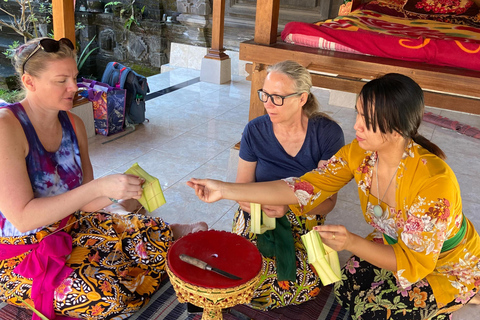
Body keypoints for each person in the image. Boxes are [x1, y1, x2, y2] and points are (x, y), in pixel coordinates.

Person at [188, 73, 480, 319]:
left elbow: (414, 261)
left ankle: (465, 292)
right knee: (348, 286)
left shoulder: (434, 184)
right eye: (358, 113)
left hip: (444, 264)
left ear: (397, 128)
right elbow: (302, 188)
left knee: (378, 311)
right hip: (396, 244)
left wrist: (350, 241)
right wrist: (224, 189)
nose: (356, 125)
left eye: (368, 119)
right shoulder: (361, 154)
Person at [0, 37, 207, 320]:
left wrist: (118, 192)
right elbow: (22, 218)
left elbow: (86, 201)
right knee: (111, 297)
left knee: (153, 248)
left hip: (72, 226)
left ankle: (164, 235)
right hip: (22, 254)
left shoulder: (73, 123)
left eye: (74, 77)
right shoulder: (7, 128)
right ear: (30, 81)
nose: (74, 88)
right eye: (62, 80)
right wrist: (100, 188)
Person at [233, 60, 344, 310]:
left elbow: (327, 203)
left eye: (278, 97)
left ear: (302, 98)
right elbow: (242, 188)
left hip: (304, 216)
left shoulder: (327, 134)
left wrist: (287, 207)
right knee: (242, 271)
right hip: (257, 211)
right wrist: (261, 205)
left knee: (299, 280)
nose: (268, 104)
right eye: (265, 94)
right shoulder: (254, 131)